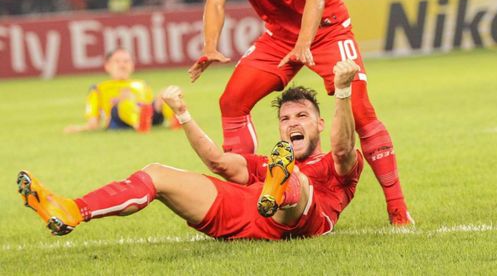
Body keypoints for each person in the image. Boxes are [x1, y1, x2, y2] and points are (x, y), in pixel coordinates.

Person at [188, 0, 412, 225]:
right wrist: (209, 44)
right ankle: (249, 199)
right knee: (231, 102)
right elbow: (215, 1)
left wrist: (305, 43)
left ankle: (397, 210)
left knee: (361, 112)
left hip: (326, 29)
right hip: (278, 36)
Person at [18, 60, 365, 240]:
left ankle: (280, 190)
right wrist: (182, 114)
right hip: (248, 213)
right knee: (157, 173)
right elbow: (219, 162)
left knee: (296, 179)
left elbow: (344, 147)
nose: (292, 123)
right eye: (286, 118)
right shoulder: (267, 162)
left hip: (304, 217)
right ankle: (72, 210)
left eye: (302, 116)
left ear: (319, 125)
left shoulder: (341, 165)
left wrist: (343, 92)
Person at [64, 48, 178, 133]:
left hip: (147, 115)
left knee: (167, 92)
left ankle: (176, 121)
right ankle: (139, 124)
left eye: (126, 61)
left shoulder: (142, 84)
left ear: (132, 65)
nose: (122, 65)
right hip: (118, 120)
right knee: (125, 99)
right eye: (117, 61)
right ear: (107, 66)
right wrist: (79, 129)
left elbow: (150, 104)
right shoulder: (98, 89)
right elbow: (93, 122)